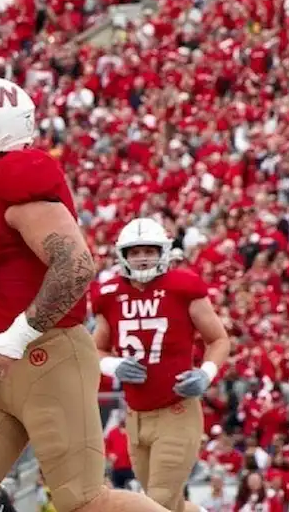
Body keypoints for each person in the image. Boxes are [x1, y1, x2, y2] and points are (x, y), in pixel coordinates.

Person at [0, 76, 169, 512]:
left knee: (84, 501)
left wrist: (18, 335)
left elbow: (75, 265)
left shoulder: (18, 173)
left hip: (45, 352)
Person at [92, 217, 230, 512]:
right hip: (135, 416)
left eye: (149, 251)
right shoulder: (108, 295)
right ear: (123, 255)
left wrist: (205, 374)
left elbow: (218, 339)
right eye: (135, 252)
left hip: (176, 411)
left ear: (163, 252)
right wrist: (113, 366)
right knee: (171, 506)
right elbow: (96, 350)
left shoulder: (183, 286)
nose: (142, 258)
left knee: (156, 503)